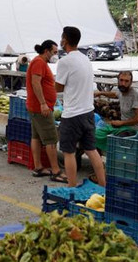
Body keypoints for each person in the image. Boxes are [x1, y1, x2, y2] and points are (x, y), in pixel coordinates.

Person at [56, 26, 106, 187]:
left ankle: (71, 186)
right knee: (91, 150)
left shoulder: (64, 61)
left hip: (72, 115)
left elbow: (59, 88)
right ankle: (103, 185)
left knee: (68, 152)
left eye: (62, 37)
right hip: (88, 112)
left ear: (65, 40)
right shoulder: (86, 59)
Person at [26, 40, 66, 183]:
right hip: (40, 108)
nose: (55, 55)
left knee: (36, 137)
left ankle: (38, 167)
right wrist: (43, 103)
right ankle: (55, 171)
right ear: (47, 51)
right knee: (51, 139)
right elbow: (35, 83)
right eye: (54, 52)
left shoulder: (40, 62)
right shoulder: (39, 63)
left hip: (36, 106)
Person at [93, 71, 138, 153]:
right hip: (122, 126)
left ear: (131, 82)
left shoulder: (136, 95)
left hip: (133, 129)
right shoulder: (121, 91)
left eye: (126, 81)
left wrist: (121, 123)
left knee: (114, 141)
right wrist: (100, 93)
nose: (123, 83)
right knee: (94, 134)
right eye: (121, 80)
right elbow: (114, 94)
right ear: (117, 80)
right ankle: (97, 159)